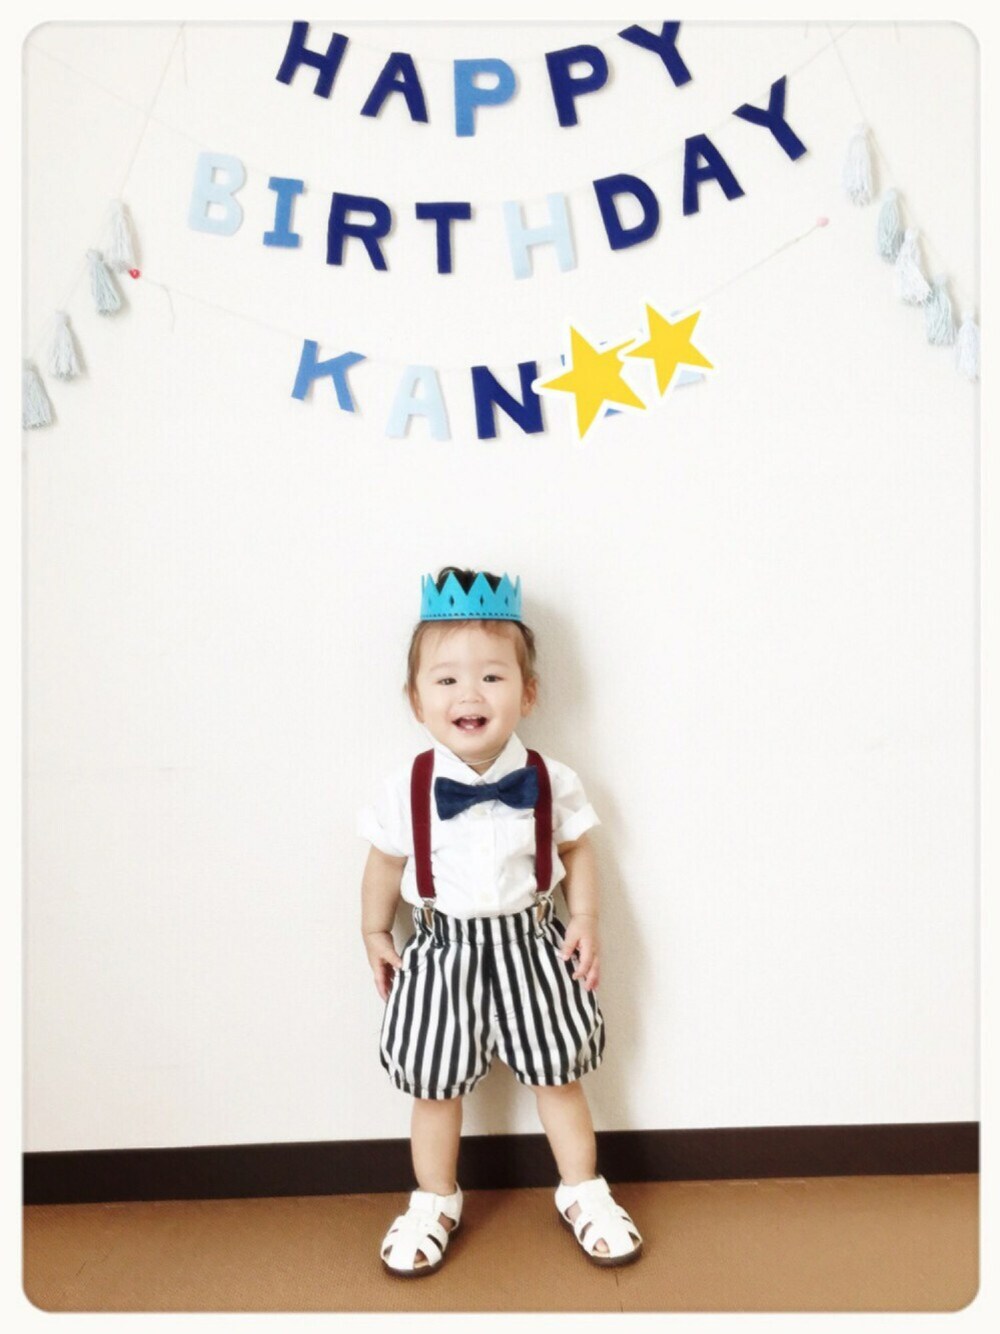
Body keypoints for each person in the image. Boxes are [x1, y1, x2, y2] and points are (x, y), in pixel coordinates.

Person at [359, 566, 643, 1276]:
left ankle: (583, 1189)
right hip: (440, 951)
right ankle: (434, 1198)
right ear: (416, 698)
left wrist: (585, 916)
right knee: (433, 1084)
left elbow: (576, 848)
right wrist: (374, 931)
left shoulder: (551, 779)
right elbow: (384, 864)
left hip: (531, 945)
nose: (470, 694)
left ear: (529, 692)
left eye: (492, 676)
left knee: (558, 1074)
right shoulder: (406, 788)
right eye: (446, 679)